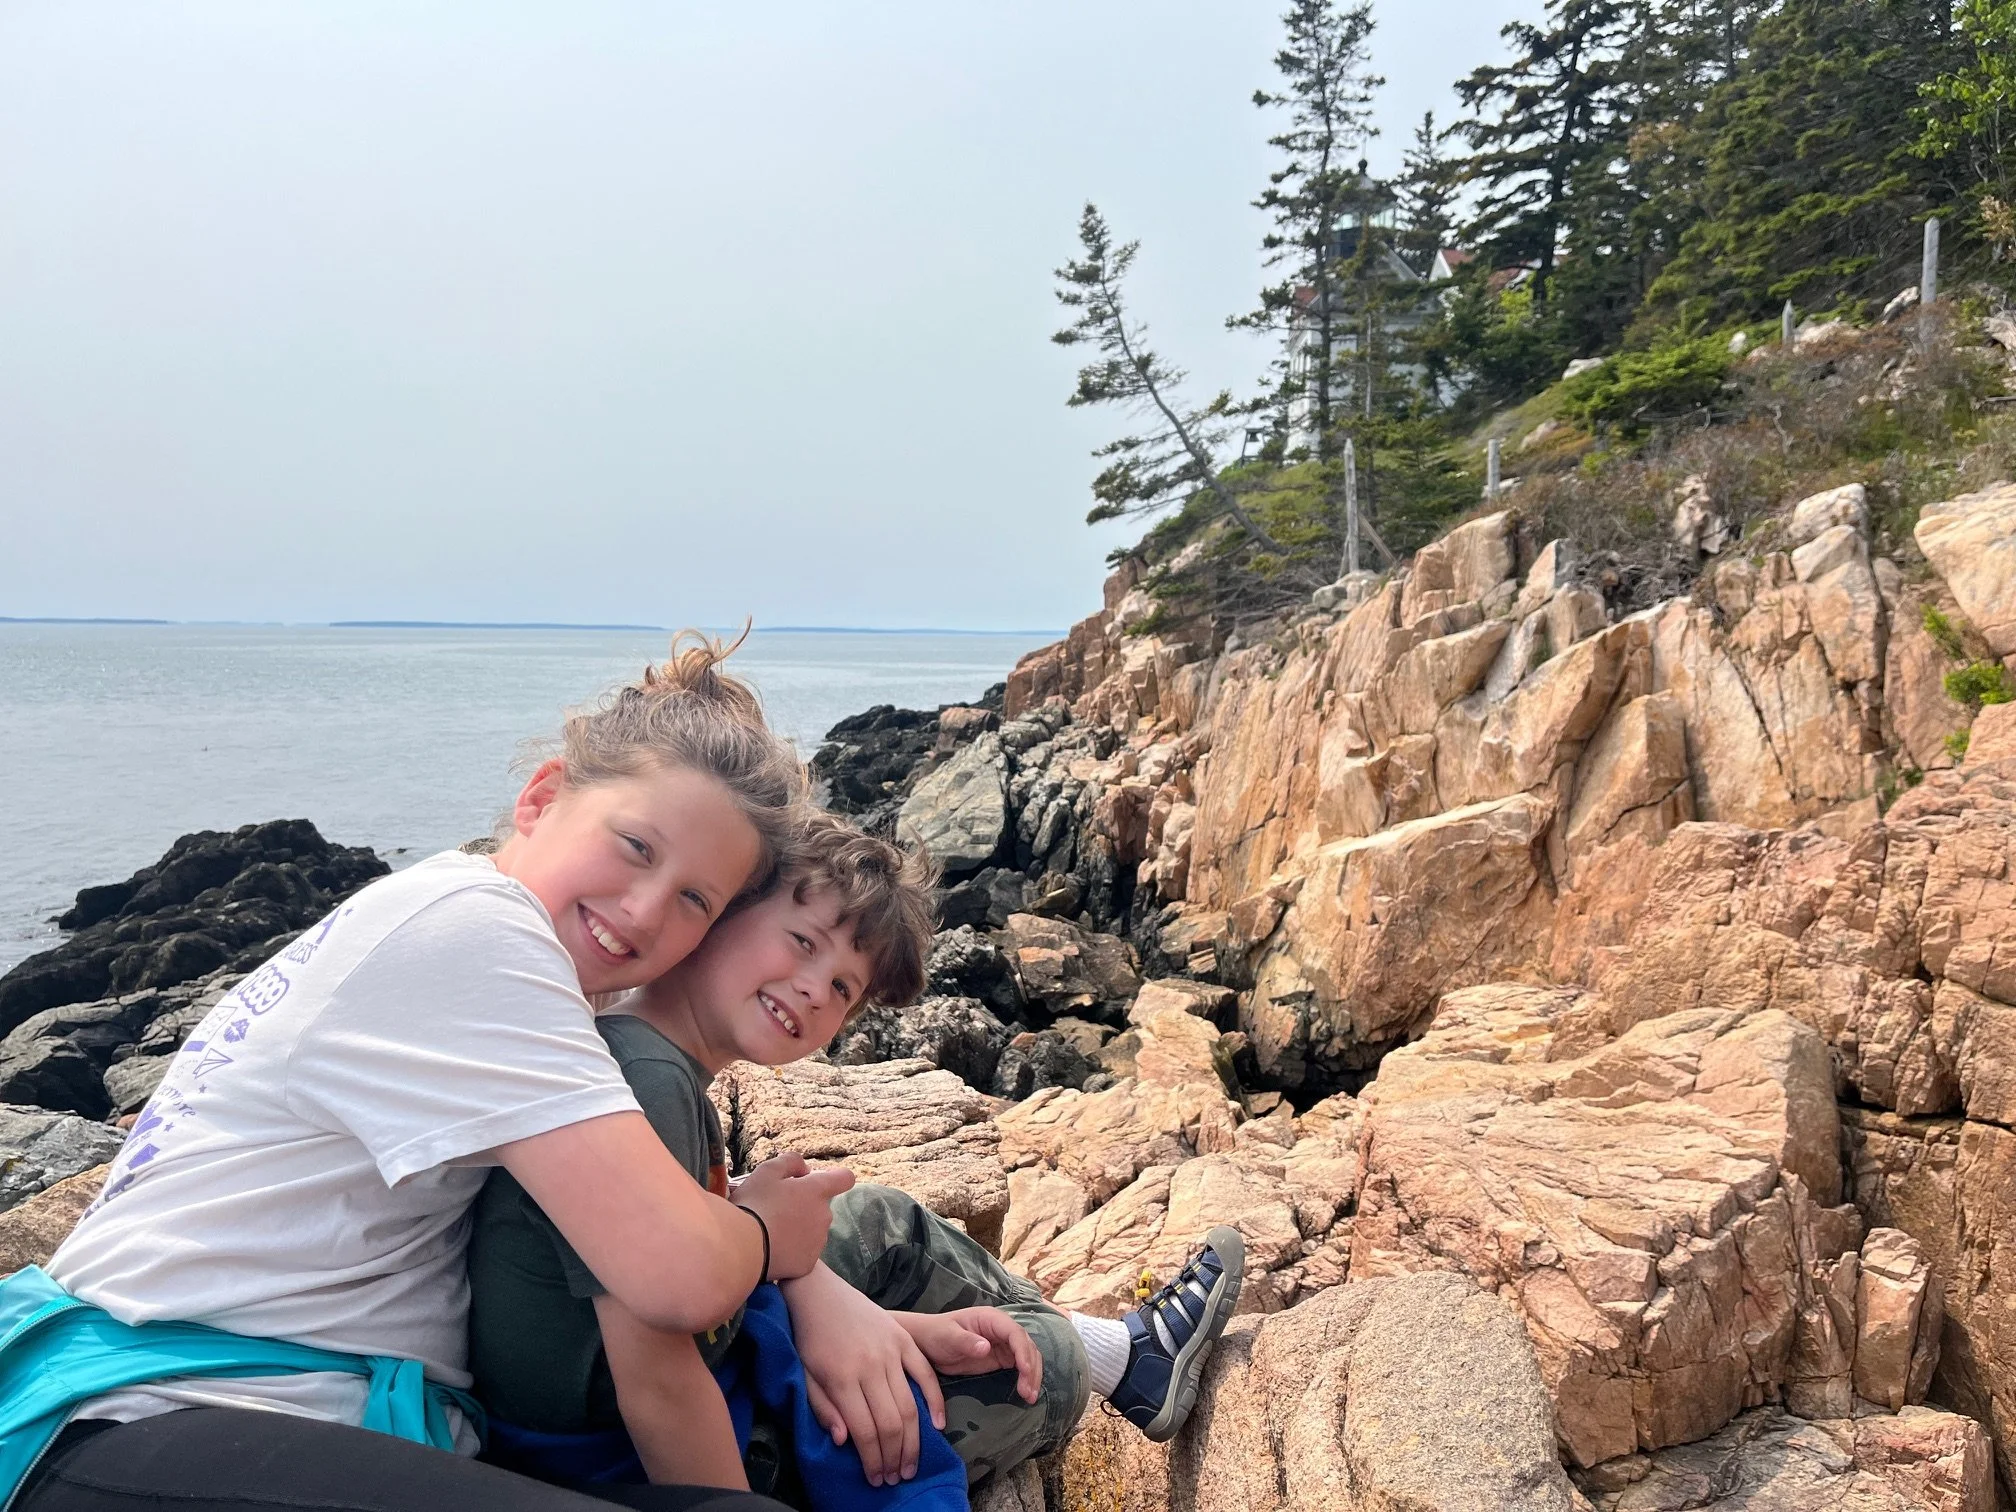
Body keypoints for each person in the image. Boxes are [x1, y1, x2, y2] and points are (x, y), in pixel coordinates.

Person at [5, 635, 841, 1512]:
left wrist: (814, 1286)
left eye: (694, 901)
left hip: (259, 1413)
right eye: (635, 846)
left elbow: (629, 1203)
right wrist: (767, 1241)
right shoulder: (480, 936)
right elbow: (678, 1274)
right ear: (542, 796)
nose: (643, 910)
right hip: (149, 1417)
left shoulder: (476, 931)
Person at [466, 809, 1246, 1505]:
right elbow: (659, 1384)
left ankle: (1127, 1353)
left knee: (877, 1219)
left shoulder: (654, 1061)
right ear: (722, 910)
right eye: (801, 942)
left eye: (842, 987)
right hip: (611, 1459)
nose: (813, 990)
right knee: (1041, 1368)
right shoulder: (649, 1081)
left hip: (649, 1380)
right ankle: (1105, 1356)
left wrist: (880, 1323)